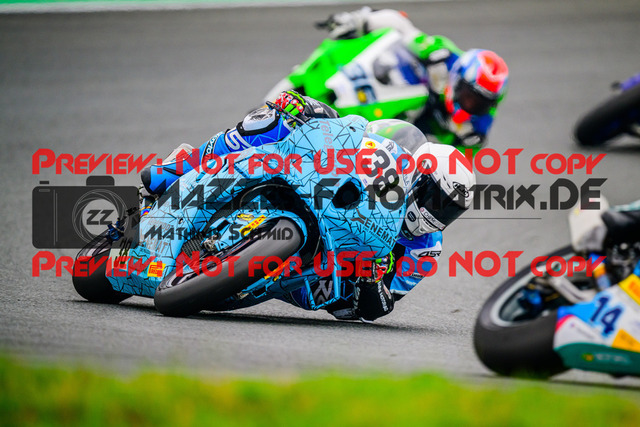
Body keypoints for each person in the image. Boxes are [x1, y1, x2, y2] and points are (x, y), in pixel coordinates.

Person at [141, 91, 475, 322]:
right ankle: (179, 167)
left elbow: (381, 307)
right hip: (326, 189)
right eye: (435, 198)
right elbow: (358, 131)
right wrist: (312, 113)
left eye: (449, 210)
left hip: (321, 279)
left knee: (338, 301)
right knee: (275, 121)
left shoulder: (424, 249)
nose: (437, 214)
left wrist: (372, 280)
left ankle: (229, 270)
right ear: (417, 178)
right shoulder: (395, 156)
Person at [318, 7, 509, 151]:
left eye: (479, 104)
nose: (470, 105)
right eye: (469, 96)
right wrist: (361, 21)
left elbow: (461, 164)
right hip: (396, 85)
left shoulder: (476, 129)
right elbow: (404, 28)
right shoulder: (443, 54)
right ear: (458, 80)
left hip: (420, 136)